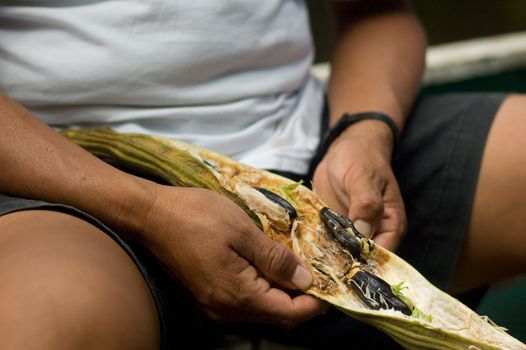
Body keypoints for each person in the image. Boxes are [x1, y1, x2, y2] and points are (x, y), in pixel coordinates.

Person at [0, 0, 525, 349]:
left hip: (316, 137)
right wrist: (145, 209)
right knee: (39, 326)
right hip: (71, 179)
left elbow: (376, 13)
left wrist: (366, 129)